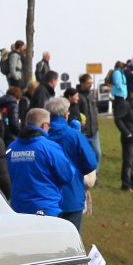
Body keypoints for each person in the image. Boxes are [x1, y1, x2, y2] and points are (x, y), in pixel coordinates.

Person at [6, 107, 75, 218]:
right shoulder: (49, 147)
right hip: (46, 209)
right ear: (44, 125)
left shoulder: (11, 147)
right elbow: (67, 175)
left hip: (18, 210)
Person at [44, 97, 98, 230]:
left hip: (47, 197)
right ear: (65, 114)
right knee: (72, 238)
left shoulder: (42, 136)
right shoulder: (75, 135)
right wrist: (78, 170)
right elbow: (91, 163)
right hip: (72, 195)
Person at [77, 73, 100, 156]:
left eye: (91, 83)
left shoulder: (91, 95)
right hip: (84, 131)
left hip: (94, 130)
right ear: (82, 83)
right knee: (85, 155)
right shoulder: (77, 96)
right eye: (88, 83)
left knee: (98, 154)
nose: (90, 85)